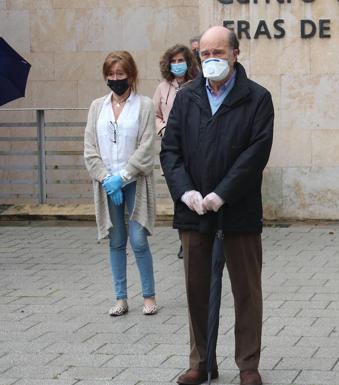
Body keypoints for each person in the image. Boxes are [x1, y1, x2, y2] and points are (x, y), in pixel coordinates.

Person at [160, 26, 273, 385]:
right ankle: (201, 361)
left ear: (235, 54)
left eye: (218, 53)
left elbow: (255, 153)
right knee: (196, 290)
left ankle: (248, 364)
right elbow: (170, 151)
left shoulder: (257, 98)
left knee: (246, 292)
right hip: (193, 213)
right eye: (204, 54)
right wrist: (186, 192)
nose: (210, 60)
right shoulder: (187, 96)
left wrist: (222, 193)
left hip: (238, 212)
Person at [84, 51, 158, 316]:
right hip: (107, 185)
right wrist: (106, 179)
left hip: (134, 181)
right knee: (116, 240)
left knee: (138, 240)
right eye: (111, 74)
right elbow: (90, 148)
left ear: (131, 75)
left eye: (120, 74)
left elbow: (147, 146)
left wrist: (123, 177)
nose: (116, 79)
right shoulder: (97, 107)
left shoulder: (145, 105)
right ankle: (121, 298)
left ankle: (148, 296)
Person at [153, 44, 200, 259]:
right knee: (178, 191)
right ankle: (184, 239)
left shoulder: (197, 84)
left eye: (181, 60)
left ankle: (194, 235)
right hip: (171, 145)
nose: (178, 64)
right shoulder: (163, 88)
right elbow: (155, 115)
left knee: (193, 186)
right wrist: (163, 129)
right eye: (174, 61)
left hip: (193, 146)